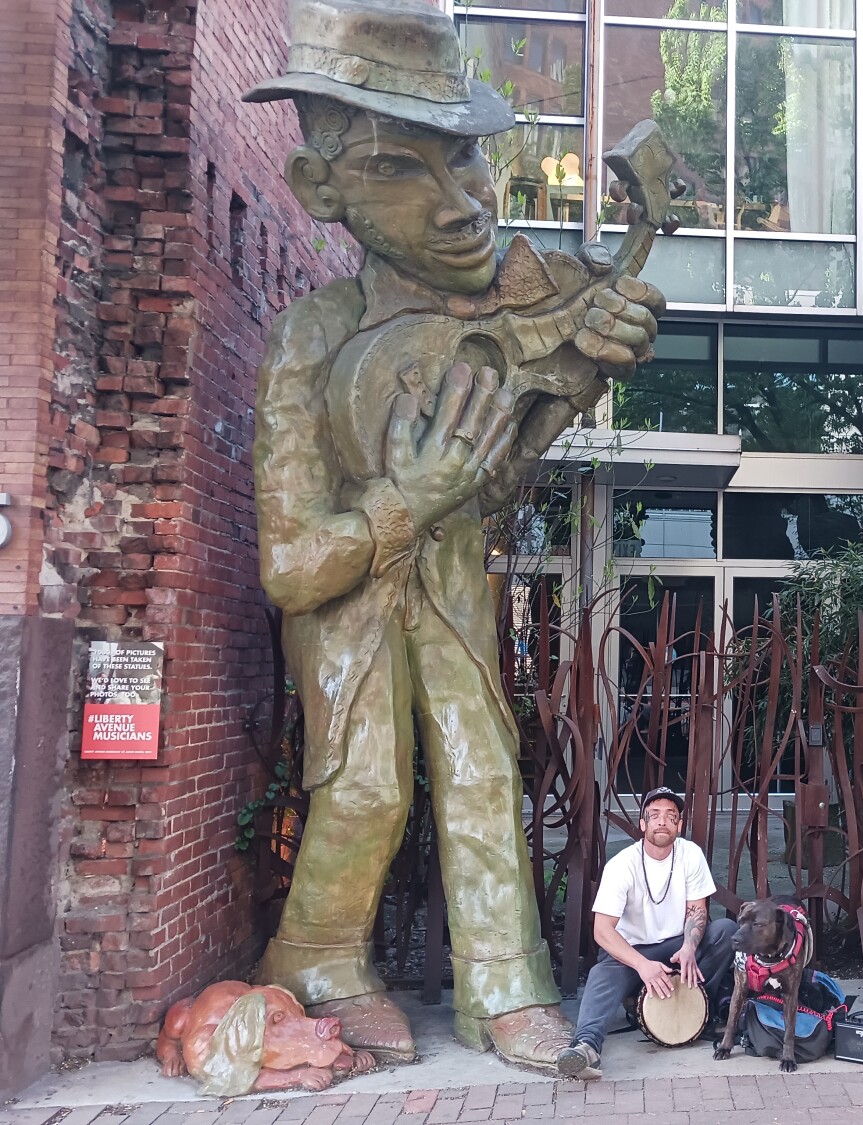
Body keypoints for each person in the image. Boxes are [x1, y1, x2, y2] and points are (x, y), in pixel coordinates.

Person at [242, 0, 663, 1072]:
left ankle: (507, 985)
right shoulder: (311, 336)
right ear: (320, 189)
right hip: (355, 590)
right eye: (397, 169)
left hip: (452, 582)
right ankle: (322, 956)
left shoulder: (484, 314)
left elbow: (499, 469)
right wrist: (409, 499)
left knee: (482, 765)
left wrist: (568, 382)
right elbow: (289, 568)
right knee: (368, 781)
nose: (460, 201)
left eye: (466, 155)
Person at [557, 787, 737, 1079]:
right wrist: (642, 965)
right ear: (643, 824)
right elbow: (602, 931)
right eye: (654, 815)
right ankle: (586, 1048)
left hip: (677, 946)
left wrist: (690, 946)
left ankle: (699, 1010)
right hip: (633, 951)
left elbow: (698, 911)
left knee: (725, 932)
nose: (662, 821)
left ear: (679, 825)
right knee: (602, 974)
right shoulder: (621, 866)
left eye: (670, 816)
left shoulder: (690, 854)